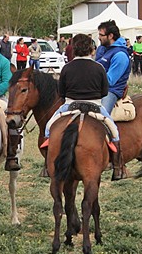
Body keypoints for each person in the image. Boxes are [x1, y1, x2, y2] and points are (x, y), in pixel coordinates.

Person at [41, 33, 126, 180]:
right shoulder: (99, 67)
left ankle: (47, 164)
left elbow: (61, 92)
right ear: (91, 49)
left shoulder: (67, 67)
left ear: (74, 49)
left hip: (70, 105)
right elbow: (104, 91)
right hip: (95, 106)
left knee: (49, 128)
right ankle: (117, 167)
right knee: (114, 131)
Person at [95, 20, 130, 116]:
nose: (99, 37)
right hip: (96, 88)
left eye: (101, 35)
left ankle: (108, 125)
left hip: (110, 91)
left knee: (101, 116)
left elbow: (110, 81)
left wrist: (92, 78)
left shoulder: (120, 55)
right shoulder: (102, 48)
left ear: (110, 36)